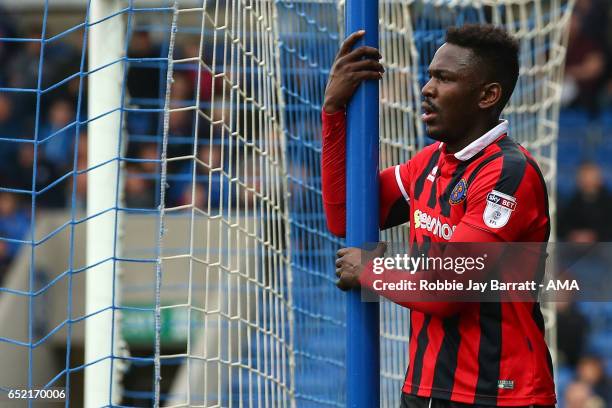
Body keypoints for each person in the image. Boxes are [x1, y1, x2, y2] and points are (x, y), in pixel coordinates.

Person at [321, 25, 555, 407]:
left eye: (444, 79)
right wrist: (333, 112)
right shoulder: (427, 164)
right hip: (424, 388)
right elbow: (346, 216)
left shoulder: (509, 175)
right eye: (430, 76)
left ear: (487, 95)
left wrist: (371, 271)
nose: (427, 89)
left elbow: (450, 289)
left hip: (499, 395)